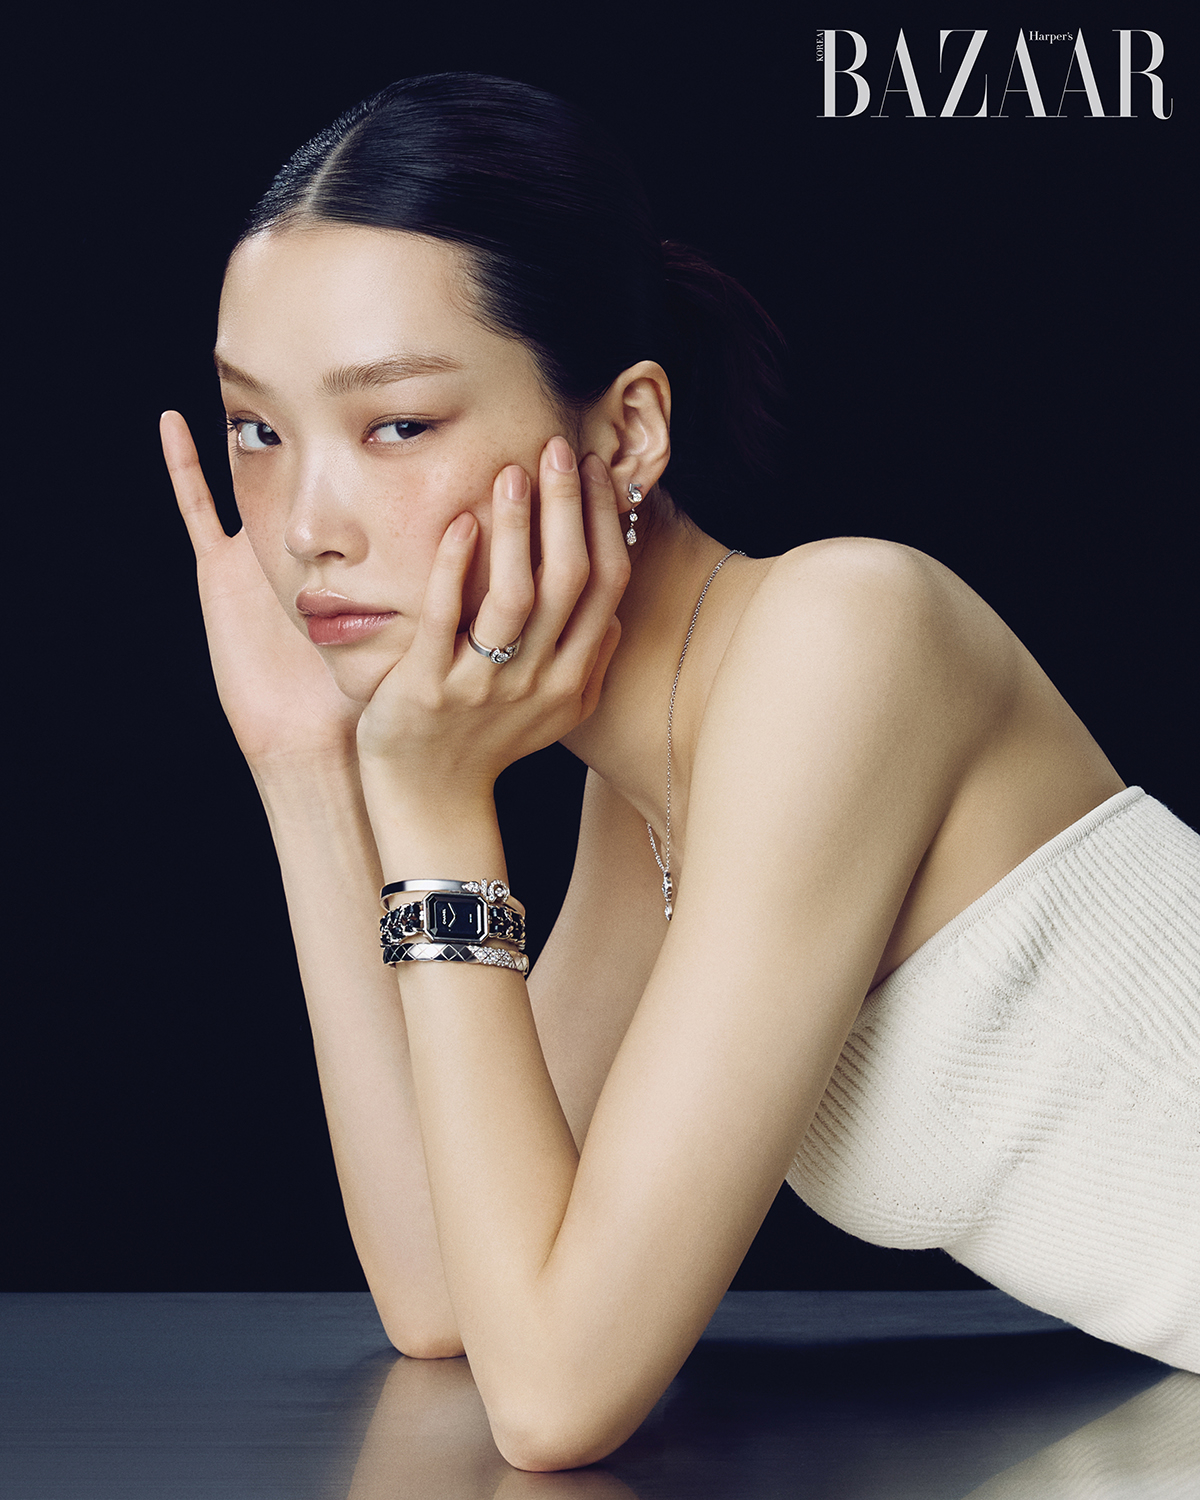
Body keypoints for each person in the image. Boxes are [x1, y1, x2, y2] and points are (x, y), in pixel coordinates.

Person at [159, 73, 1199, 1471]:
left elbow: (555, 1393)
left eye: (396, 424)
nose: (305, 527)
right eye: (258, 431)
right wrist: (307, 768)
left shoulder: (840, 639)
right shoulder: (647, 783)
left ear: (628, 432)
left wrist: (434, 810)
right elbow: (445, 1291)